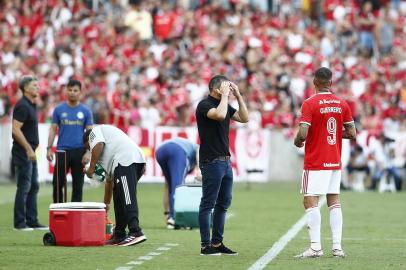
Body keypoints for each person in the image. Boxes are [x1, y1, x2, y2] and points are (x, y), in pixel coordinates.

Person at [294, 67, 356, 258]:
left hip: (316, 161)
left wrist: (298, 140)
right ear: (330, 82)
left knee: (310, 200)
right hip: (334, 160)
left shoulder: (309, 103)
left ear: (315, 82)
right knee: (334, 201)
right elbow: (352, 133)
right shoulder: (341, 103)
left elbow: (303, 132)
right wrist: (336, 134)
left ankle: (315, 247)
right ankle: (337, 247)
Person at [195, 75, 249, 256]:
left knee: (224, 203)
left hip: (225, 161)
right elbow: (218, 115)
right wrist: (225, 96)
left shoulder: (225, 104)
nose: (229, 88)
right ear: (216, 89)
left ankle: (217, 243)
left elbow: (244, 118)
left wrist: (239, 96)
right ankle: (205, 245)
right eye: (225, 86)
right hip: (211, 161)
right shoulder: (204, 105)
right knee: (208, 203)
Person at [83, 125, 147, 246]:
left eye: (88, 147)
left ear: (88, 140)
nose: (91, 151)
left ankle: (135, 231)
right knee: (119, 196)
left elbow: (98, 144)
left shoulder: (94, 132)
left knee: (127, 196)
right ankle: (119, 234)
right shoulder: (107, 155)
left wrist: (91, 168)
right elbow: (109, 182)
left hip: (126, 159)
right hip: (129, 160)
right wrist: (106, 205)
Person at [47, 79, 93, 203]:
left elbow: (90, 133)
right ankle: (58, 213)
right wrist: (48, 148)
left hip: (79, 151)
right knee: (57, 184)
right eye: (70, 90)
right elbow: (53, 129)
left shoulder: (86, 111)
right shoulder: (59, 109)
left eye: (75, 90)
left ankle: (75, 216)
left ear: (80, 93)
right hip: (62, 151)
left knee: (78, 186)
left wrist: (88, 152)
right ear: (66, 91)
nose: (72, 93)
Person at [12, 76, 47, 231]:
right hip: (23, 152)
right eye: (35, 85)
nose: (38, 88)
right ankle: (20, 223)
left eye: (38, 85)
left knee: (33, 185)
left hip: (30, 151)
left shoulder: (32, 105)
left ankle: (32, 220)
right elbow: (15, 129)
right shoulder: (22, 106)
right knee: (24, 186)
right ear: (25, 88)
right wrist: (27, 148)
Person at [155, 137, 200, 229]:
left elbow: (167, 188)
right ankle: (177, 219)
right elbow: (199, 149)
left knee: (170, 185)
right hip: (178, 150)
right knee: (179, 187)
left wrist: (166, 212)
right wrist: (199, 169)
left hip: (160, 151)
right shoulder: (196, 149)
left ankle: (170, 216)